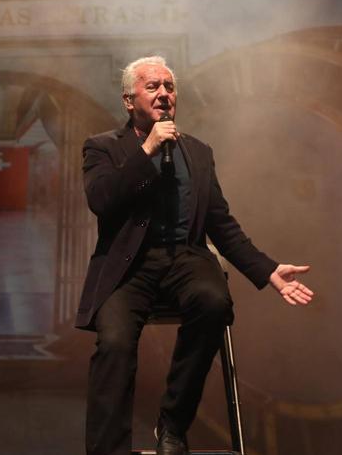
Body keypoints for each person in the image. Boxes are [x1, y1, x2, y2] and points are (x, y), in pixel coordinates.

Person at [77, 56, 314, 455]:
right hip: (128, 268)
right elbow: (101, 200)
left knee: (214, 302)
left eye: (169, 87)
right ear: (128, 100)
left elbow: (221, 224)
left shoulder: (198, 153)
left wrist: (268, 270)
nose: (164, 94)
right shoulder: (102, 147)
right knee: (115, 344)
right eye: (152, 87)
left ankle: (172, 425)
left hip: (185, 258)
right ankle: (106, 449)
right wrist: (148, 149)